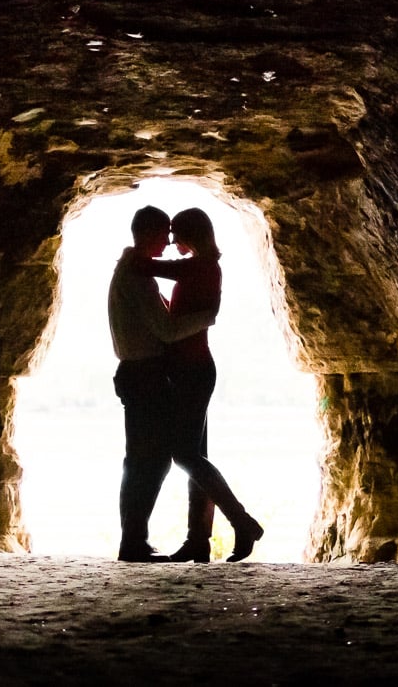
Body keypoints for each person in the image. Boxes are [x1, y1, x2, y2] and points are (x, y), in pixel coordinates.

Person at [107, 205, 264, 563]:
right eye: (166, 233)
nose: (170, 240)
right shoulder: (179, 267)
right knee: (182, 455)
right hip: (182, 371)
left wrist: (207, 317)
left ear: (192, 236)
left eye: (176, 234)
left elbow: (155, 276)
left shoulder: (197, 266)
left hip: (190, 371)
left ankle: (238, 524)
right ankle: (199, 540)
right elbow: (165, 320)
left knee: (181, 455)